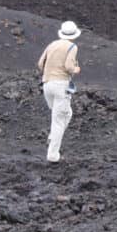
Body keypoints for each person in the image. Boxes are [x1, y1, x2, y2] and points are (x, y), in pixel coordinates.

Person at [37, 20, 81, 163]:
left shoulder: (52, 44)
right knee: (59, 120)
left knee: (65, 114)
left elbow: (40, 63)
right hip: (61, 85)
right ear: (74, 34)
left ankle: (52, 137)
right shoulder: (72, 46)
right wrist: (76, 69)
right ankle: (53, 155)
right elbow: (69, 66)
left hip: (47, 83)